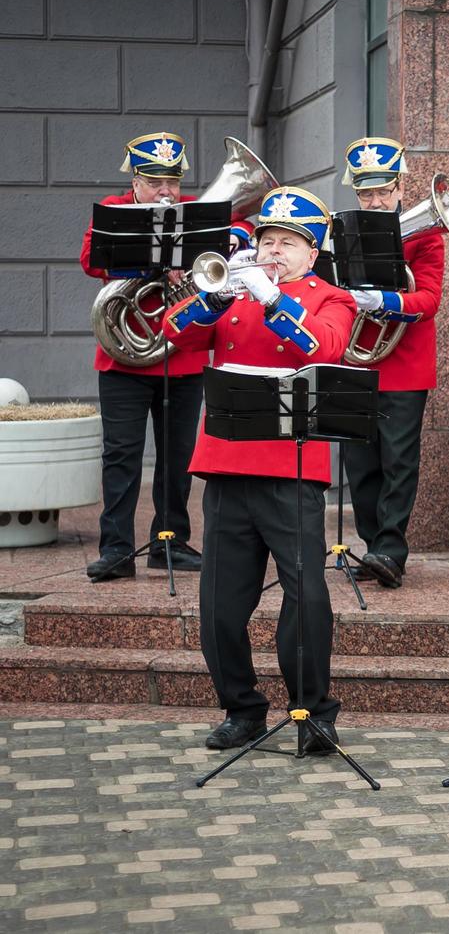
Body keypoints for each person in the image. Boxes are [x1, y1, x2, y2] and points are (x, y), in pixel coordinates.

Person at [163, 186, 358, 752]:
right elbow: (175, 335)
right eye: (268, 240)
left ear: (312, 253)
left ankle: (313, 713)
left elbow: (322, 350)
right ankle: (242, 708)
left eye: (289, 244)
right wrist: (215, 296)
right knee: (220, 605)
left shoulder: (331, 298)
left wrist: (274, 298)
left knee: (307, 598)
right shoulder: (235, 289)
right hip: (225, 465)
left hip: (291, 466)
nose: (275, 251)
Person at [79, 132, 254, 581]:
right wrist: (152, 264)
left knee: (178, 457)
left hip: (183, 357)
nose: (166, 191)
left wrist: (226, 239)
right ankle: (116, 548)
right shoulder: (115, 211)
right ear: (135, 180)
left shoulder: (196, 213)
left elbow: (240, 232)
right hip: (125, 361)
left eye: (172, 181)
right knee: (122, 455)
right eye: (155, 181)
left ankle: (170, 541)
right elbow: (90, 260)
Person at [337, 136, 444, 589]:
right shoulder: (340, 230)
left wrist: (386, 299)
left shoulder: (426, 237)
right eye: (366, 193)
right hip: (356, 362)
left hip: (403, 365)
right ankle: (371, 546)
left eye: (383, 191)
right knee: (359, 463)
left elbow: (430, 298)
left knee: (399, 459)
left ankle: (392, 549)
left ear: (401, 187)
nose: (375, 200)